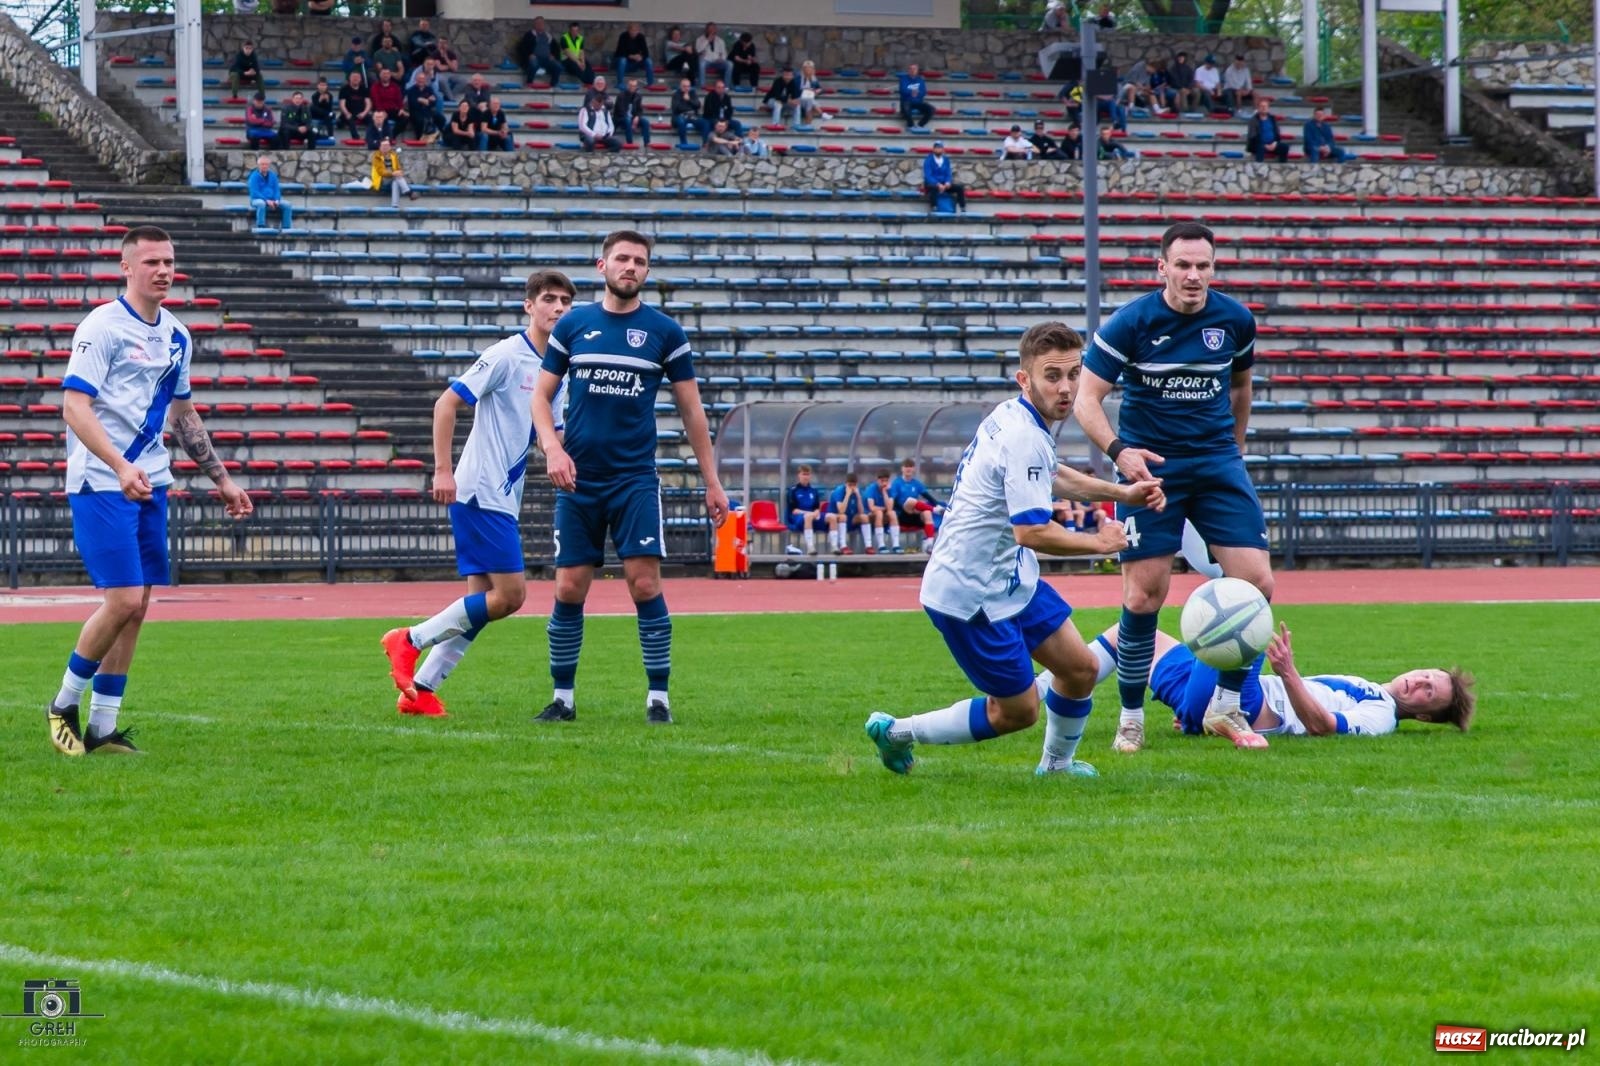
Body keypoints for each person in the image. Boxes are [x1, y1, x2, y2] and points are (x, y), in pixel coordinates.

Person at [863, 321, 1162, 777]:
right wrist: (1099, 544)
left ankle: (1056, 768)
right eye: (1052, 376)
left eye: (1073, 374)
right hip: (971, 596)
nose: (1066, 388)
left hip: (1008, 578)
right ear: (1025, 379)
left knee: (1080, 670)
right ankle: (897, 731)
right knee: (1018, 711)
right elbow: (1032, 533)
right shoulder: (1023, 436)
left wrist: (1121, 494)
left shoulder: (1017, 416)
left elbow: (1053, 472)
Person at [47, 225, 253, 756]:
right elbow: (74, 407)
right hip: (101, 482)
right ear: (126, 267)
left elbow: (184, 416)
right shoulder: (103, 327)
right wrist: (118, 466)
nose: (163, 270)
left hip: (151, 482)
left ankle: (102, 728)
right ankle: (64, 703)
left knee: (138, 605)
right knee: (119, 599)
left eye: (168, 261)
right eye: (151, 262)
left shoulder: (178, 335)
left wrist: (223, 480)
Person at [1073, 221, 1272, 756]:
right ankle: (1131, 717)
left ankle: (1226, 709)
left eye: (1202, 265)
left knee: (1257, 583)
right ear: (1161, 267)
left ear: (1214, 267)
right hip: (1150, 469)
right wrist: (1120, 452)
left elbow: (1241, 384)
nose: (1193, 275)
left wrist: (1234, 447)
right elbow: (1085, 399)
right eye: (1182, 265)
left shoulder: (1234, 320)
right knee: (1144, 595)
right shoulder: (1131, 323)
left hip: (1216, 463)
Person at [530, 230, 731, 725]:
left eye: (639, 261)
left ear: (646, 271)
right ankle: (563, 699)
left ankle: (658, 699)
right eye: (622, 258)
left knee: (643, 584)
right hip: (578, 481)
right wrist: (552, 448)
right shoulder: (574, 325)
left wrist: (712, 480)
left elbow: (692, 412)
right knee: (570, 588)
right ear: (602, 265)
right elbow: (540, 397)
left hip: (635, 479)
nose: (631, 267)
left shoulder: (665, 332)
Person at [381, 272, 577, 717]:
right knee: (511, 596)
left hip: (502, 494)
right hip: (479, 489)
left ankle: (423, 690)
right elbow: (445, 404)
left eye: (566, 300)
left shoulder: (556, 371)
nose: (558, 308)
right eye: (549, 299)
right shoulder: (507, 355)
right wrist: (443, 470)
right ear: (529, 306)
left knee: (479, 606)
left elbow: (556, 433)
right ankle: (408, 639)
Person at [1070, 620, 1476, 745]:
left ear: (1423, 717)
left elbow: (1323, 726)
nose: (1419, 683)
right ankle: (1042, 693)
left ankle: (1216, 714)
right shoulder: (1370, 686)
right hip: (1234, 694)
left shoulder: (1382, 717)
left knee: (1247, 618)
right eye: (1426, 675)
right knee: (1135, 631)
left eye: (1429, 692)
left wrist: (1288, 672)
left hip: (1250, 705)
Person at [889, 457, 942, 548]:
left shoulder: (916, 483)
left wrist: (937, 504)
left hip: (915, 515)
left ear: (913, 469)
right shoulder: (897, 483)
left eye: (910, 466)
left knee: (927, 513)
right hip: (902, 515)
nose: (908, 469)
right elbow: (893, 502)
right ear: (902, 469)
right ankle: (934, 509)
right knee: (911, 500)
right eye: (906, 466)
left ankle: (929, 543)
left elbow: (927, 496)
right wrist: (906, 509)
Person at [825, 471, 872, 554]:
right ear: (846, 484)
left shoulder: (858, 491)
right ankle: (843, 545)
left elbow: (861, 511)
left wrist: (858, 496)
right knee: (843, 516)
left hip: (851, 519)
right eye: (850, 485)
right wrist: (847, 495)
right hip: (836, 518)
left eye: (854, 485)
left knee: (864, 517)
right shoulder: (839, 491)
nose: (852, 488)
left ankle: (868, 546)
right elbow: (841, 510)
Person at [785, 464, 826, 555]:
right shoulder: (793, 491)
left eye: (807, 474)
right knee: (808, 516)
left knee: (831, 517)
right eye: (804, 474)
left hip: (812, 517)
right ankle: (810, 547)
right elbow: (794, 510)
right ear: (799, 475)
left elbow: (816, 507)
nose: (806, 477)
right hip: (797, 518)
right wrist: (810, 513)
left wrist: (816, 512)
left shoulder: (813, 491)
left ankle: (836, 547)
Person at [247, 154, 292, 230]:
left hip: (272, 200)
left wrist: (277, 200)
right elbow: (255, 192)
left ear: (269, 165)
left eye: (266, 164)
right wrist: (266, 200)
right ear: (258, 165)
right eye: (262, 164)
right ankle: (261, 226)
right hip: (257, 200)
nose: (264, 166)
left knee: (287, 205)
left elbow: (276, 190)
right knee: (261, 204)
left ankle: (286, 228)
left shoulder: (273, 176)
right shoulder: (254, 176)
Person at [863, 469, 903, 554]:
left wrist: (885, 492)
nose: (884, 483)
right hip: (870, 515)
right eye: (882, 481)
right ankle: (881, 545)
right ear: (877, 480)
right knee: (879, 513)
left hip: (885, 513)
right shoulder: (871, 488)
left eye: (886, 481)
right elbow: (872, 507)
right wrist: (883, 509)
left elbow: (890, 508)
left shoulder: (890, 489)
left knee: (892, 513)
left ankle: (896, 545)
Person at [921, 140, 966, 213]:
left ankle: (962, 207)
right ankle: (934, 207)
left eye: (940, 148)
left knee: (959, 188)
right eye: (937, 148)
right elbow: (928, 176)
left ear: (942, 149)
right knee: (933, 188)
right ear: (933, 149)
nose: (938, 149)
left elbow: (948, 173)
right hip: (933, 184)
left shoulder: (945, 160)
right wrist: (937, 184)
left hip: (944, 184)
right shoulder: (928, 160)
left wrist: (947, 182)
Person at [370, 138, 418, 204]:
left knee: (396, 182)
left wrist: (399, 172)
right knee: (396, 177)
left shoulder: (393, 155)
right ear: (380, 147)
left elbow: (398, 168)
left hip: (393, 178)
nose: (385, 147)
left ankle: (395, 206)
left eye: (387, 145)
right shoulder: (376, 157)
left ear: (390, 147)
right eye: (383, 146)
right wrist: (393, 173)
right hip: (381, 181)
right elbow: (381, 172)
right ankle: (409, 192)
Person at [518, 17, 562, 87]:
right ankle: (529, 83)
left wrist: (553, 56)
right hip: (535, 58)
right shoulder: (529, 35)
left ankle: (553, 84)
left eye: (541, 23)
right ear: (534, 25)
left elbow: (556, 48)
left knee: (559, 67)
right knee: (533, 64)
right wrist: (529, 55)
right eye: (538, 23)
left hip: (547, 59)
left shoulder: (548, 35)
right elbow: (522, 47)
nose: (540, 25)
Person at [367, 67, 406, 145]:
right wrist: (382, 111)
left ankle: (392, 137)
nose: (386, 75)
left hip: (393, 109)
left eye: (387, 74)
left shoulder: (395, 86)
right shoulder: (375, 86)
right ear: (380, 75)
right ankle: (381, 139)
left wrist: (401, 108)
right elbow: (376, 100)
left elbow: (399, 99)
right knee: (380, 119)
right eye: (383, 74)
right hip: (379, 109)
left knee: (404, 119)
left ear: (390, 75)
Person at [1246, 97, 1291, 163]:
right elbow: (1253, 136)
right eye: (1262, 106)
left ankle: (1281, 168)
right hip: (1259, 144)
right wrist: (1265, 145)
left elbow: (1277, 133)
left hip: (1273, 144)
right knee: (1260, 148)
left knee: (1284, 147)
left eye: (1265, 106)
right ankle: (1259, 168)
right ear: (1258, 108)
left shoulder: (1272, 119)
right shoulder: (1254, 120)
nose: (1264, 108)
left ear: (1268, 108)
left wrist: (1275, 143)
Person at [613, 21, 655, 89]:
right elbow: (620, 52)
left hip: (636, 62)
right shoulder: (623, 36)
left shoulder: (641, 37)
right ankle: (620, 83)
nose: (633, 32)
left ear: (638, 31)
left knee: (648, 61)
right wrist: (631, 56)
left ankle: (650, 84)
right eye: (632, 30)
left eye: (635, 30)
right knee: (622, 60)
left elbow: (646, 53)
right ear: (628, 30)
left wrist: (641, 57)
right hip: (625, 63)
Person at [612, 76, 651, 147]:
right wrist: (632, 121)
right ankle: (630, 143)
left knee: (645, 122)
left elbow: (639, 110)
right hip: (620, 118)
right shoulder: (621, 95)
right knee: (627, 120)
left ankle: (647, 142)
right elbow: (621, 111)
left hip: (632, 117)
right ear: (628, 86)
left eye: (634, 86)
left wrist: (637, 117)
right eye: (631, 86)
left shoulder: (638, 96)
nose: (632, 88)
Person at [406, 70, 443, 142]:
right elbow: (412, 103)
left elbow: (433, 101)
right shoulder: (411, 90)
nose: (421, 81)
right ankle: (419, 138)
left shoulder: (429, 89)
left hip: (428, 111)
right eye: (419, 79)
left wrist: (424, 100)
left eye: (422, 79)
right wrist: (422, 101)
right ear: (416, 80)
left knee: (441, 118)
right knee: (420, 120)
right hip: (415, 112)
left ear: (425, 80)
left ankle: (440, 136)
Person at [898, 62, 934, 130]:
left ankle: (920, 125)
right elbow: (902, 90)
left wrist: (917, 93)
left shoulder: (920, 80)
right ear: (908, 70)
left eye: (914, 69)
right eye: (910, 69)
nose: (912, 70)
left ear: (917, 70)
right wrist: (911, 92)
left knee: (931, 109)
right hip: (907, 101)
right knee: (905, 108)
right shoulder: (903, 79)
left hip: (918, 102)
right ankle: (911, 125)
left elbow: (923, 92)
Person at [670, 77, 705, 147]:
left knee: (705, 122)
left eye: (688, 86)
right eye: (684, 86)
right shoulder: (676, 94)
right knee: (681, 122)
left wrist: (689, 100)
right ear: (680, 86)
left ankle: (705, 143)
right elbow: (676, 108)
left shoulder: (693, 93)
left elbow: (698, 105)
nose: (686, 88)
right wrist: (689, 108)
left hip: (692, 116)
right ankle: (684, 143)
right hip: (679, 116)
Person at [338, 71, 371, 140]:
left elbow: (368, 103)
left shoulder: (364, 89)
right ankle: (356, 138)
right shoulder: (344, 89)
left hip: (361, 112)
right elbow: (342, 104)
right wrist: (347, 113)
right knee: (350, 119)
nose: (355, 79)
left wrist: (364, 113)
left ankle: (369, 138)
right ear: (349, 78)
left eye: (357, 77)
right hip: (348, 112)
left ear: (360, 79)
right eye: (353, 77)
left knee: (372, 120)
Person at [695, 22, 729, 88]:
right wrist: (707, 40)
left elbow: (724, 53)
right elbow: (698, 50)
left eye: (713, 29)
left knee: (730, 64)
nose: (712, 31)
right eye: (710, 29)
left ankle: (726, 86)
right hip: (706, 61)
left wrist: (722, 59)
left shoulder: (720, 40)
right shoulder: (700, 39)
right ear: (706, 30)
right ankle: (702, 86)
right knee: (701, 63)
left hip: (717, 62)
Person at [797, 59, 826, 124]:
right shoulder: (798, 78)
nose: (809, 70)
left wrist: (817, 91)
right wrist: (806, 90)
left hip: (809, 99)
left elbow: (820, 88)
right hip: (799, 99)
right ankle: (822, 114)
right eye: (807, 68)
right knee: (810, 102)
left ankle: (808, 125)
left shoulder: (814, 78)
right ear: (803, 69)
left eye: (810, 68)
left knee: (810, 103)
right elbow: (795, 90)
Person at [308, 77, 336, 142]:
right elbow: (315, 107)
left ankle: (331, 135)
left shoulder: (330, 95)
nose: (322, 87)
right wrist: (319, 100)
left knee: (328, 116)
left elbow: (330, 108)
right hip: (317, 114)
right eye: (321, 85)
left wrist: (328, 101)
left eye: (324, 85)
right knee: (311, 107)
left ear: (327, 86)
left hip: (326, 115)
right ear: (318, 86)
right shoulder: (314, 95)